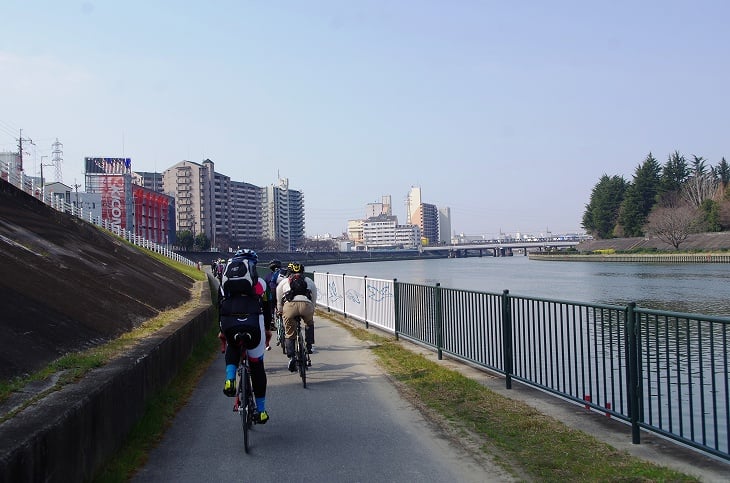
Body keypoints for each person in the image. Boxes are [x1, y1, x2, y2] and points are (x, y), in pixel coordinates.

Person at [218, 248, 269, 424]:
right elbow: (267, 307)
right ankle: (261, 411)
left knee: (233, 345)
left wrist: (221, 330)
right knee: (257, 365)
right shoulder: (260, 283)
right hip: (254, 324)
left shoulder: (224, 284)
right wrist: (268, 329)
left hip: (229, 324)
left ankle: (230, 379)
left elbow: (220, 306)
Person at [276, 261, 317, 372]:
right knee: (309, 323)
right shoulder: (308, 281)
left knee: (289, 333)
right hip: (306, 305)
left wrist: (280, 310)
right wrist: (311, 309)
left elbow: (279, 299)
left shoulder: (284, 282)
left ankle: (292, 357)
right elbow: (314, 297)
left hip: (290, 306)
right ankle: (309, 346)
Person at [262, 259, 283, 350]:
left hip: (272, 296)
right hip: (282, 296)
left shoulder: (267, 276)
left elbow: (265, 288)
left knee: (270, 307)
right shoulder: (283, 275)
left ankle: (271, 320)